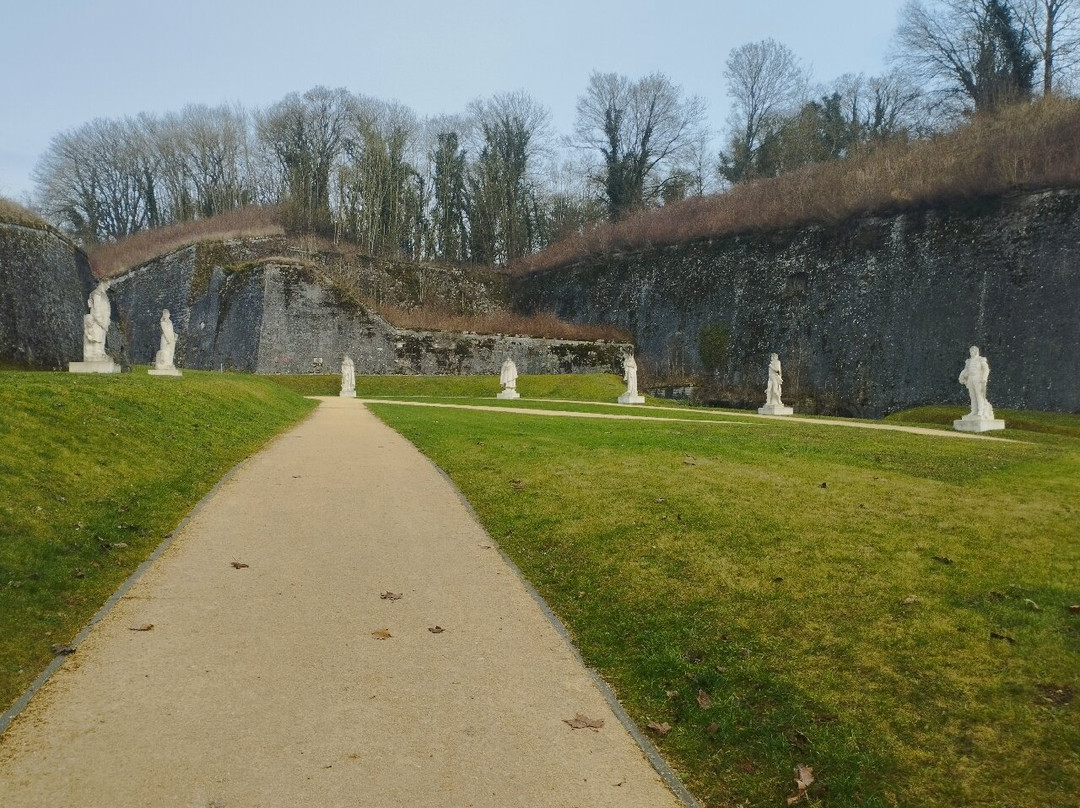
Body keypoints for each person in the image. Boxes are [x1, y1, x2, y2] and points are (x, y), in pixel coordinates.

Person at [958, 346, 993, 419]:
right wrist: (963, 375)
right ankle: (974, 411)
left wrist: (984, 378)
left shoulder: (981, 360)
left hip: (978, 378)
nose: (971, 353)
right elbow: (966, 369)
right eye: (970, 351)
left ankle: (980, 410)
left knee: (979, 395)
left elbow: (986, 369)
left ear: (976, 351)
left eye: (973, 351)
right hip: (970, 378)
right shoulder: (969, 361)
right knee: (972, 395)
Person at [83, 282, 111, 361]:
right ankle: (96, 355)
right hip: (97, 321)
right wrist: (101, 321)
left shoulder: (103, 295)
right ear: (102, 283)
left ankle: (101, 353)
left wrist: (106, 321)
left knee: (101, 339)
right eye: (107, 283)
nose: (108, 286)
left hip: (103, 321)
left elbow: (106, 309)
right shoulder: (97, 294)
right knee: (96, 338)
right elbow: (97, 309)